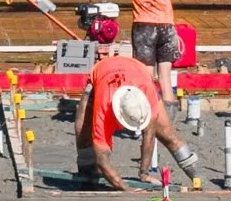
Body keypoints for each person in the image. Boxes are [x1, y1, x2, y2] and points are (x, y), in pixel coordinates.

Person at [76, 47, 199, 192]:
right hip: (104, 72)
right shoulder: (103, 106)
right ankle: (86, 174)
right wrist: (125, 189)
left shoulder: (147, 94)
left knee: (168, 134)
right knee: (84, 131)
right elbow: (102, 157)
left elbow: (149, 133)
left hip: (137, 71)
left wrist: (144, 173)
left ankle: (196, 178)